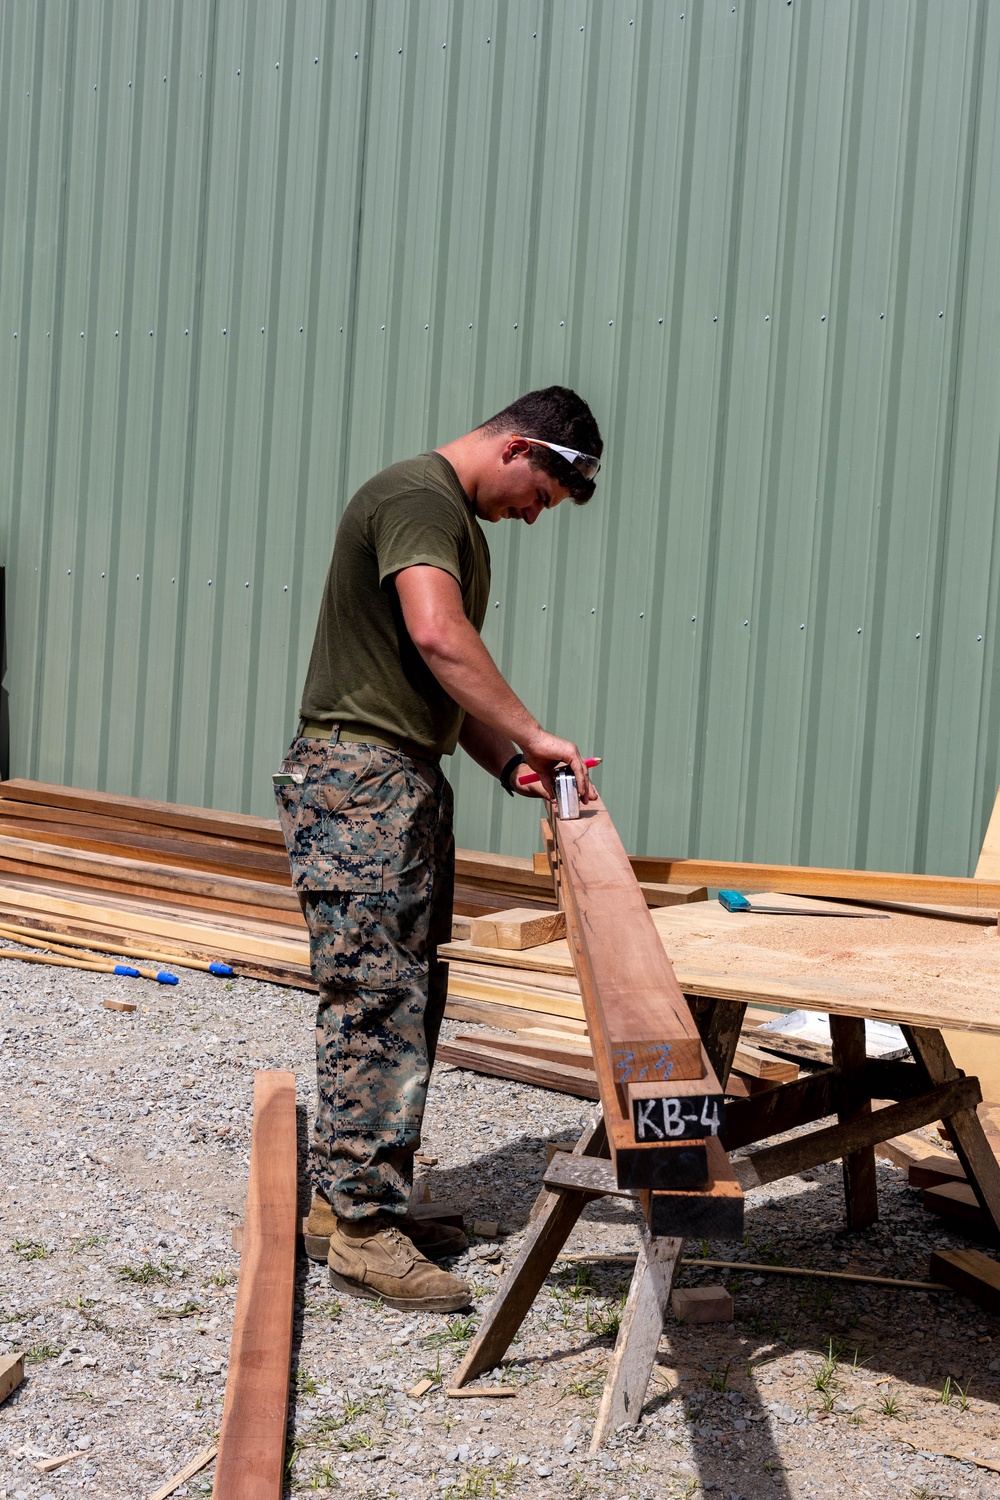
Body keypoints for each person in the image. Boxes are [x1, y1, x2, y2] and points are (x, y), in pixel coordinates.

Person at [274, 385, 603, 1312]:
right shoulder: (420, 500)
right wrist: (538, 731)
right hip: (361, 781)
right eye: (540, 494)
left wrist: (510, 764)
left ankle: (352, 1204)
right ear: (520, 448)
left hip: (399, 777)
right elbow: (436, 632)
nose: (534, 516)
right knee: (377, 1001)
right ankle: (364, 1234)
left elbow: (440, 682)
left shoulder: (455, 522)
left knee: (407, 999)